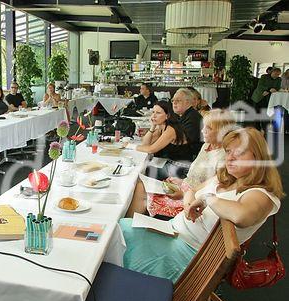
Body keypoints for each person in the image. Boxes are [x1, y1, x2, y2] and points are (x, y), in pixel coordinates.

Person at [121, 127, 284, 283]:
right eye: (228, 151)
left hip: (185, 256)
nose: (230, 157)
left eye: (239, 152)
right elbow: (191, 191)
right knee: (116, 228)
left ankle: (114, 296)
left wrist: (207, 198)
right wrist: (188, 205)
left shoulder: (262, 195)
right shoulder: (226, 179)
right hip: (171, 233)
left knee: (115, 233)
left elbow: (241, 215)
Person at [127, 110, 235, 218]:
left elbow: (211, 190)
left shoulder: (224, 157)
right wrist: (180, 181)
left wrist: (183, 194)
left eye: (208, 128)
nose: (203, 131)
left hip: (190, 200)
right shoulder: (207, 145)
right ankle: (127, 225)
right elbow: (195, 176)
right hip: (183, 189)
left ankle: (127, 226)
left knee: (141, 189)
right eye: (204, 126)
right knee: (140, 185)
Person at [171, 88, 203, 157]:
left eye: (178, 100)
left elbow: (182, 141)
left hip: (189, 159)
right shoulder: (183, 115)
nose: (174, 103)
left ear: (188, 102)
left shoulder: (193, 117)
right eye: (173, 100)